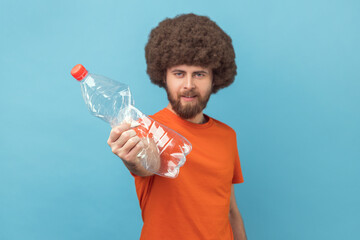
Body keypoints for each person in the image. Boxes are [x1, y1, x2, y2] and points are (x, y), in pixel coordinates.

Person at [107, 13, 247, 240]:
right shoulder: (147, 129)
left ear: (215, 78)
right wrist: (131, 155)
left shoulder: (227, 136)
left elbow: (230, 210)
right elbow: (145, 162)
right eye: (179, 74)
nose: (189, 85)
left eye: (199, 74)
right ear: (164, 76)